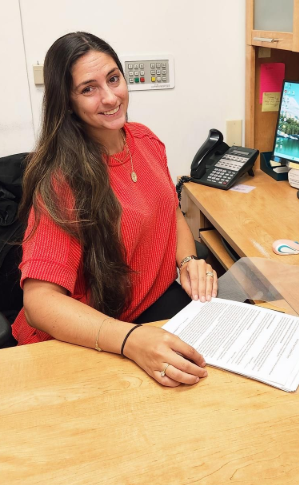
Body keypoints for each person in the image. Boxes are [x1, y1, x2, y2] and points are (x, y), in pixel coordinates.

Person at [13, 31, 217, 387]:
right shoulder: (62, 180)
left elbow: (170, 210)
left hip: (146, 314)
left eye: (113, 79)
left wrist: (187, 261)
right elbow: (40, 303)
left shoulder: (146, 140)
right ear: (67, 101)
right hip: (85, 340)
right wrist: (130, 340)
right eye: (88, 89)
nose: (110, 97)